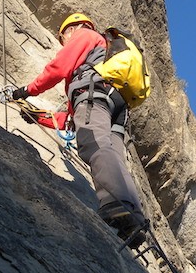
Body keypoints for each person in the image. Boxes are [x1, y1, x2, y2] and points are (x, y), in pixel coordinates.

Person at [12, 13, 147, 247]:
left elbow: (59, 67)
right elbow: (72, 121)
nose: (64, 40)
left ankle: (116, 207)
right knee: (113, 156)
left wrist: (27, 90)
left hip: (93, 95)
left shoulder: (85, 35)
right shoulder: (103, 58)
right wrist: (37, 116)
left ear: (71, 29)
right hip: (116, 106)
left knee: (94, 145)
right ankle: (133, 217)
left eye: (63, 36)